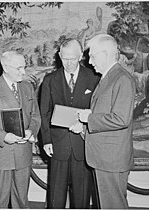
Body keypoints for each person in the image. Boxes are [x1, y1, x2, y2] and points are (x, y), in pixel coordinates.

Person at [71, 34, 136, 209]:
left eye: (92, 56)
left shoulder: (121, 78)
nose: (89, 61)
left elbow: (121, 119)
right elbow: (106, 115)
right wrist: (85, 129)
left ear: (106, 54)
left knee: (113, 205)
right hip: (104, 157)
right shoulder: (109, 77)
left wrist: (89, 118)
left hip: (111, 159)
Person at [40, 39, 100, 208]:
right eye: (64, 58)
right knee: (55, 198)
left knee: (81, 198)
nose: (68, 63)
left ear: (81, 56)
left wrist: (86, 127)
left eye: (72, 59)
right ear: (59, 56)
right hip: (58, 146)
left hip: (83, 145)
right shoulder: (50, 80)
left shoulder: (93, 78)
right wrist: (46, 141)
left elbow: (98, 111)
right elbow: (44, 112)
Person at [0, 51, 41, 208]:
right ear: (5, 67)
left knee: (22, 201)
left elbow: (35, 117)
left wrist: (31, 131)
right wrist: (3, 136)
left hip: (23, 154)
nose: (23, 72)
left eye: (24, 67)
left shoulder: (27, 87)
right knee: (0, 202)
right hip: (0, 155)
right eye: (19, 68)